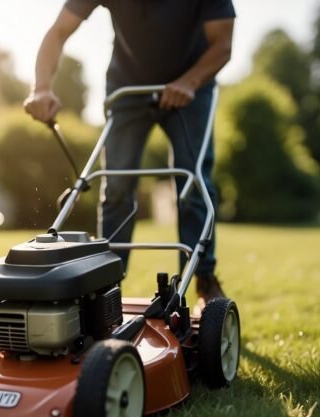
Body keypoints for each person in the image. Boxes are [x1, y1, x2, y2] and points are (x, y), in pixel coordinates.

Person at [24, 0, 235, 307]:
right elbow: (58, 32)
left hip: (191, 87)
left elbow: (223, 45)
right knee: (117, 183)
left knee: (193, 180)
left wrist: (188, 82)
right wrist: (41, 87)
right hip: (127, 87)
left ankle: (204, 279)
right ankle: (106, 286)